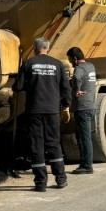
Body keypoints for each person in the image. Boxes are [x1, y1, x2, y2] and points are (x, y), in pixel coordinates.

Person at [14, 37, 72, 192]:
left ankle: (40, 183)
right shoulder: (58, 64)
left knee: (36, 145)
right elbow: (66, 88)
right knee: (53, 143)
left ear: (34, 48)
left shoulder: (28, 64)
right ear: (48, 48)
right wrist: (66, 106)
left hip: (34, 111)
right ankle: (60, 179)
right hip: (52, 110)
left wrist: (22, 79)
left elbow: (18, 87)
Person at [67, 47, 98, 174]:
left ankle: (87, 166)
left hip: (82, 107)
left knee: (84, 138)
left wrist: (75, 90)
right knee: (85, 137)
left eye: (70, 60)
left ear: (75, 58)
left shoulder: (78, 69)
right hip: (91, 105)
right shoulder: (91, 66)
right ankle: (85, 163)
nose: (70, 63)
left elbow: (76, 78)